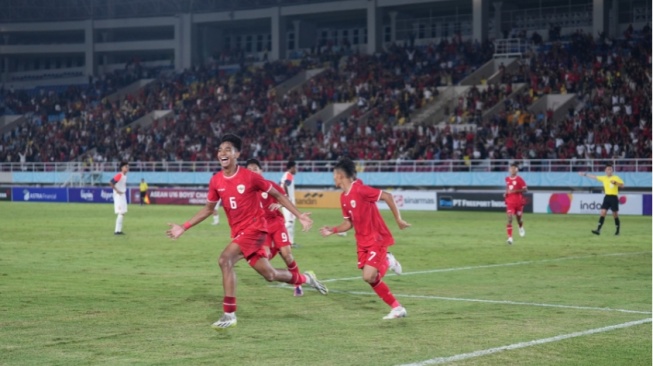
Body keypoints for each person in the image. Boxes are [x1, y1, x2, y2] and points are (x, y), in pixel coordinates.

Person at [165, 134, 328, 331]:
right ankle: (307, 279)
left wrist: (299, 215)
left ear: (237, 154)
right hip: (240, 233)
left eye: (227, 149)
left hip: (256, 229)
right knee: (270, 274)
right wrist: (183, 227)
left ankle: (229, 313)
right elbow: (208, 209)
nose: (222, 153)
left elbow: (277, 194)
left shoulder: (250, 177)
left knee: (225, 260)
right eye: (219, 149)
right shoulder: (216, 181)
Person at [319, 157, 410, 320]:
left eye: (334, 174)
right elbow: (348, 223)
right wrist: (332, 230)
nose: (333, 178)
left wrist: (398, 219)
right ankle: (397, 307)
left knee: (368, 276)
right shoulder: (343, 197)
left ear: (340, 176)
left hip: (377, 238)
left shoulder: (360, 190)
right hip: (362, 242)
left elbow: (387, 196)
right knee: (372, 278)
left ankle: (388, 262)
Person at [246, 158, 304, 296]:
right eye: (249, 170)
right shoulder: (248, 192)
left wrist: (280, 204)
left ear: (261, 171)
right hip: (262, 228)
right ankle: (277, 250)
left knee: (287, 255)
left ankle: (298, 284)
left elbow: (285, 198)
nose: (252, 172)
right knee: (265, 260)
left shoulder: (269, 185)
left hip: (276, 223)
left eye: (255, 169)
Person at [579, 163, 624, 235]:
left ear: (612, 170)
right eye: (608, 169)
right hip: (607, 197)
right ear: (605, 171)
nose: (609, 170)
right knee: (603, 212)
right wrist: (584, 174)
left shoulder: (616, 177)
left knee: (615, 214)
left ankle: (617, 231)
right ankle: (598, 230)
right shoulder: (604, 178)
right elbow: (594, 177)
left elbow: (622, 185)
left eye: (610, 169)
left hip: (614, 197)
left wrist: (615, 182)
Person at [504, 162, 527, 245]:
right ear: (509, 169)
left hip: (518, 203)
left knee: (519, 219)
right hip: (510, 202)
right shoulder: (507, 179)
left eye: (514, 168)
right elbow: (508, 188)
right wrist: (506, 193)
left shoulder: (519, 179)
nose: (512, 170)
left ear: (517, 170)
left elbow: (525, 189)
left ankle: (520, 227)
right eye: (511, 168)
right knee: (509, 219)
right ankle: (510, 238)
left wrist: (515, 191)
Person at [279, 160, 298, 247]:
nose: (296, 169)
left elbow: (281, 184)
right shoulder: (289, 175)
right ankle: (279, 238)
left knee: (292, 222)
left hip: (288, 202)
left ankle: (290, 242)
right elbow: (285, 184)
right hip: (288, 203)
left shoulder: (285, 175)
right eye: (295, 167)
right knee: (289, 223)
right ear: (291, 168)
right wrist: (286, 196)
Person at [109, 162, 129, 235]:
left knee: (123, 213)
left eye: (127, 167)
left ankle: (119, 230)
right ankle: (116, 231)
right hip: (119, 195)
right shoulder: (119, 175)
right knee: (120, 212)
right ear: (122, 168)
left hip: (122, 194)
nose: (127, 168)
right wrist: (117, 190)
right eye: (126, 166)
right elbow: (111, 182)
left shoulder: (124, 176)